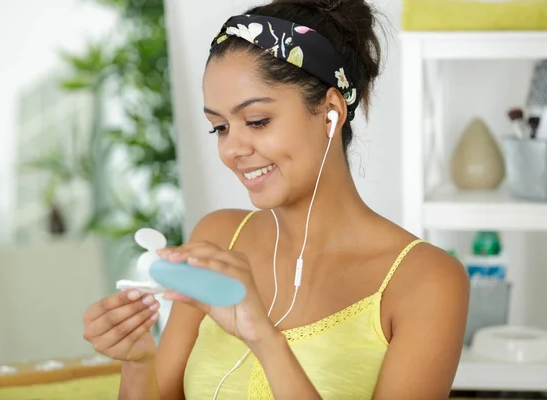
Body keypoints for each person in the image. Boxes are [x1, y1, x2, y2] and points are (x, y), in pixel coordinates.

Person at [82, 0, 470, 399]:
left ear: (331, 112)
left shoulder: (425, 280)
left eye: (256, 121)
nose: (232, 149)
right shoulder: (218, 238)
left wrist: (264, 339)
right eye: (219, 127)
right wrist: (137, 362)